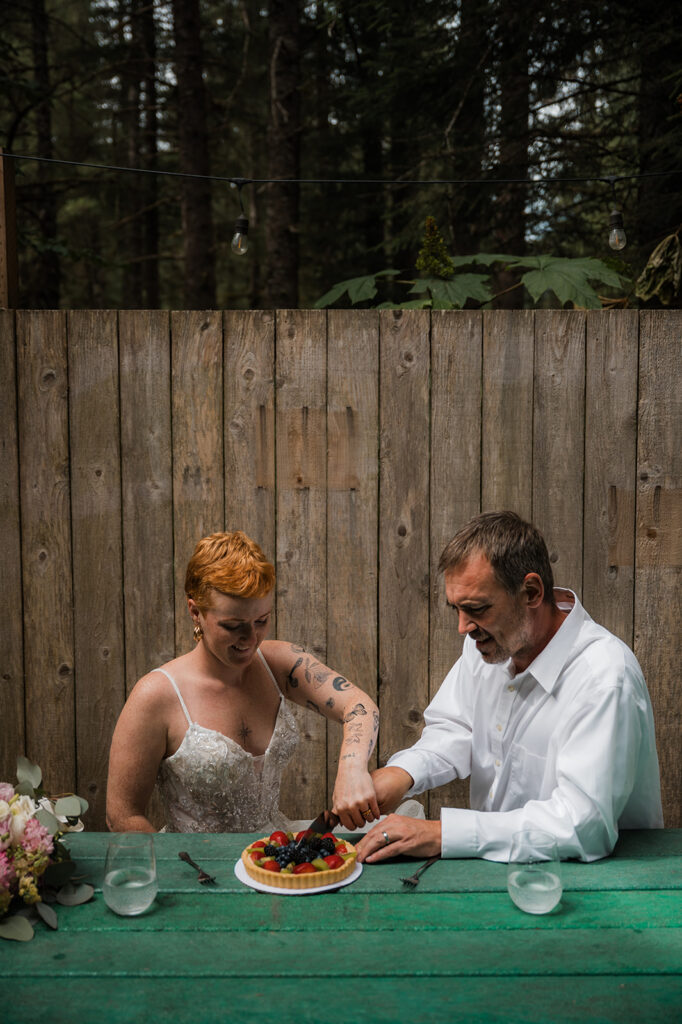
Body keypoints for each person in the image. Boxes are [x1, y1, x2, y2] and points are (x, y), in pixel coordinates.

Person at [357, 510, 662, 865]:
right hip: (501, 872)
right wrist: (404, 773)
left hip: (608, 886)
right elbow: (457, 727)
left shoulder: (604, 677)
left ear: (531, 592)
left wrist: (441, 834)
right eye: (455, 609)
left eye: (476, 608)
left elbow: (582, 825)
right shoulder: (490, 641)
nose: (462, 628)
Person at [106, 530, 381, 834]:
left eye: (261, 621)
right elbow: (122, 816)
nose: (250, 640)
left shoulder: (279, 663)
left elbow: (359, 705)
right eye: (233, 626)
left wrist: (353, 768)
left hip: (274, 857)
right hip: (198, 865)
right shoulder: (155, 695)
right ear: (195, 612)